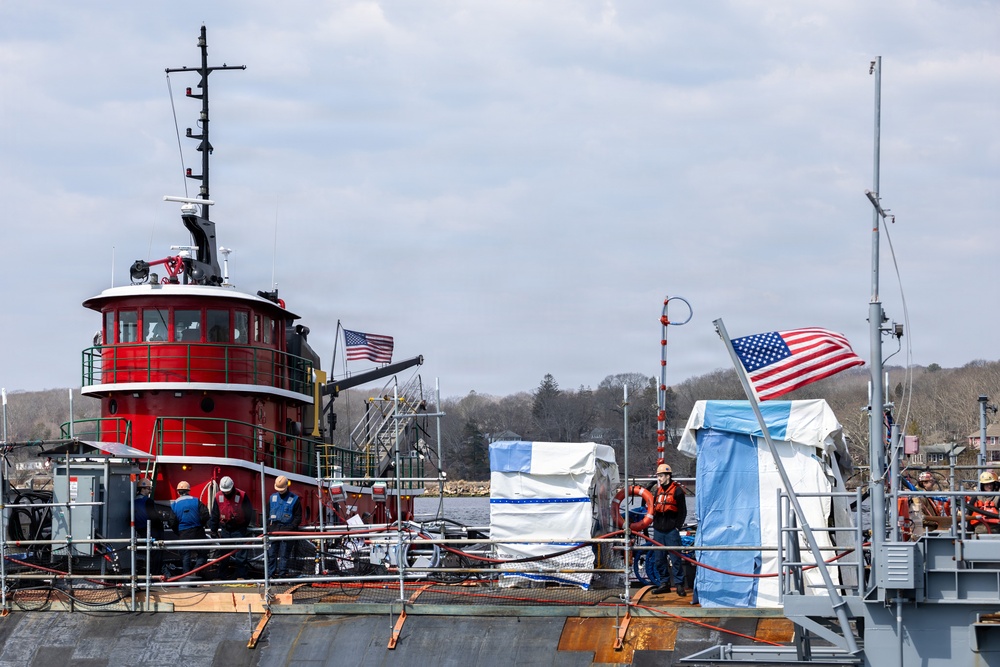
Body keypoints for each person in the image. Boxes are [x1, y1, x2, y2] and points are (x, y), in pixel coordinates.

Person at [648, 463, 687, 596]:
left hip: (671, 530)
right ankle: (664, 583)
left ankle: (679, 584)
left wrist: (677, 527)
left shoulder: (677, 491)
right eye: (658, 476)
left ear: (668, 476)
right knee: (659, 558)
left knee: (675, 558)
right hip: (659, 529)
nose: (659, 479)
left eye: (661, 476)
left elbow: (682, 511)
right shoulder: (658, 491)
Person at [209, 475, 254, 579]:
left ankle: (241, 576)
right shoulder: (218, 497)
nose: (226, 493)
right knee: (224, 554)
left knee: (241, 554)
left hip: (239, 528)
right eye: (224, 491)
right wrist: (213, 530)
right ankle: (222, 576)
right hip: (225, 529)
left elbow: (248, 512)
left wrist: (243, 526)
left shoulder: (242, 495)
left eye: (227, 491)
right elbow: (215, 514)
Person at [170, 480, 210, 577]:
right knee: (203, 553)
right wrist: (201, 525)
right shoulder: (196, 501)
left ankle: (186, 576)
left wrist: (178, 532)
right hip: (198, 531)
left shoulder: (175, 504)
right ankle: (196, 571)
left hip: (183, 533)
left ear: (178, 492)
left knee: (185, 555)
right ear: (189, 490)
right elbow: (205, 515)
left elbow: (172, 522)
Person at [267, 476, 301, 578]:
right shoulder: (272, 498)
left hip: (287, 530)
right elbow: (266, 513)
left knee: (284, 554)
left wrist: (290, 527)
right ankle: (270, 575)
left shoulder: (294, 500)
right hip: (274, 530)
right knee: (271, 554)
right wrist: (268, 527)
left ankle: (282, 575)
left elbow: (298, 517)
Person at [133, 478, 164, 575]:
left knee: (145, 552)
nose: (149, 491)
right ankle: (155, 574)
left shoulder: (133, 501)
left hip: (140, 530)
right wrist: (160, 527)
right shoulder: (148, 501)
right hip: (151, 530)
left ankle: (145, 573)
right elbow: (153, 516)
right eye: (148, 489)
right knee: (156, 552)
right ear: (142, 489)